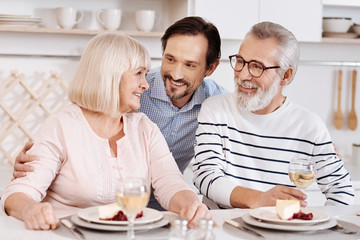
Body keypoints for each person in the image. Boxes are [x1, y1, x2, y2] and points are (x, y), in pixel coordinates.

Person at [12, 16, 228, 211]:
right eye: (170, 59)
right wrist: (32, 190)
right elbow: (23, 191)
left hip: (147, 217)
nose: (146, 85)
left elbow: (171, 182)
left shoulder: (149, 124)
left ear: (210, 68)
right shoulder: (63, 125)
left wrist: (191, 204)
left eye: (190, 64)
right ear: (111, 76)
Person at [192, 21, 355, 209]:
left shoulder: (309, 126)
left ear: (285, 76)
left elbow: (342, 192)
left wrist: (318, 227)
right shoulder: (216, 109)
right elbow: (206, 176)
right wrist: (258, 199)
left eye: (257, 66)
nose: (243, 74)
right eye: (240, 61)